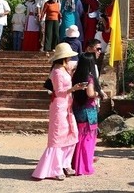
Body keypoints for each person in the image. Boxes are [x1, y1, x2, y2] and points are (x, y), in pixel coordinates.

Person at [32, 43, 87, 181]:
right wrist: (73, 89)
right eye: (68, 56)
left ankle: (65, 163)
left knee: (72, 134)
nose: (70, 58)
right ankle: (55, 169)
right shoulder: (56, 72)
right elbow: (58, 91)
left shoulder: (63, 69)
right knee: (57, 137)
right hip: (59, 106)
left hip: (67, 105)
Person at [71, 54, 100, 176]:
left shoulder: (75, 75)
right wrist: (98, 93)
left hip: (77, 108)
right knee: (88, 138)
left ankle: (75, 164)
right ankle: (84, 166)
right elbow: (90, 93)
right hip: (88, 111)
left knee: (79, 138)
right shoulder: (89, 77)